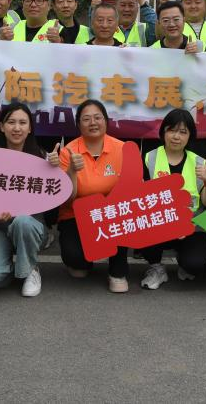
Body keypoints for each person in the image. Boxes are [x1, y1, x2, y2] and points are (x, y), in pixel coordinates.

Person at [0, 103, 60, 297]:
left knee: (23, 221)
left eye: (23, 123)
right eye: (11, 122)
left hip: (30, 226)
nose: (17, 128)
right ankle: (15, 271)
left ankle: (30, 270)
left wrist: (55, 171)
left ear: (30, 128)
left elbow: (55, 197)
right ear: (1, 127)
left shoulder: (42, 158)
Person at [58, 99, 130, 292]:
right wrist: (72, 171)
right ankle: (85, 259)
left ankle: (117, 272)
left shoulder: (123, 149)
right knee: (77, 266)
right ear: (78, 124)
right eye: (86, 119)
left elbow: (132, 193)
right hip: (76, 215)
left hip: (111, 213)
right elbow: (66, 200)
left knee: (124, 213)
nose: (93, 123)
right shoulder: (68, 152)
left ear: (106, 121)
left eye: (98, 117)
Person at [140, 109, 206, 289]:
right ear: (163, 132)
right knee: (140, 228)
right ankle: (156, 268)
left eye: (183, 132)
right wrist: (170, 224)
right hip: (158, 223)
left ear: (190, 136)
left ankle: (185, 263)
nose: (176, 136)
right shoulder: (149, 158)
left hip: (191, 228)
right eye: (172, 130)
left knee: (195, 265)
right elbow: (139, 200)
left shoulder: (200, 163)